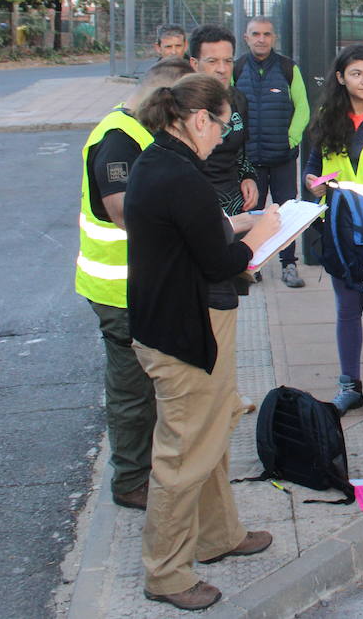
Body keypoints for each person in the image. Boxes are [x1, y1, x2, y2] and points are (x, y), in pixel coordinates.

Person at [124, 73, 283, 611]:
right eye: (222, 123)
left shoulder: (163, 162)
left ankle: (218, 535)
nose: (224, 134)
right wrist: (260, 237)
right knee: (184, 453)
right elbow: (218, 261)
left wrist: (240, 223)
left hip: (180, 321)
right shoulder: (179, 174)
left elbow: (194, 232)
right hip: (184, 330)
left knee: (213, 432)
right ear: (199, 120)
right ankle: (166, 574)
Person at [75, 58, 194, 513]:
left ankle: (146, 470)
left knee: (149, 387)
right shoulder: (118, 140)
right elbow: (124, 210)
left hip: (144, 283)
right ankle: (130, 481)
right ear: (162, 97)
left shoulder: (137, 130)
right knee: (132, 392)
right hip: (119, 289)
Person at [304, 45, 363, 424]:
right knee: (347, 310)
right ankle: (350, 386)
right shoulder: (328, 117)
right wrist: (311, 182)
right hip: (341, 232)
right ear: (341, 77)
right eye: (357, 73)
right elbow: (314, 166)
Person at [236, 16, 309, 287]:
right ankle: (252, 264)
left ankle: (289, 264)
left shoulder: (289, 68)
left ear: (274, 38)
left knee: (286, 213)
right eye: (255, 34)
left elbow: (302, 108)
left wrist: (290, 139)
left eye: (267, 34)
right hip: (250, 161)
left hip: (282, 159)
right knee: (252, 213)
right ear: (246, 38)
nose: (261, 39)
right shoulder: (238, 68)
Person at [189, 25, 258, 216]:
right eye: (212, 61)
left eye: (228, 61)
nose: (222, 69)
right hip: (195, 204)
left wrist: (248, 177)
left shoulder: (239, 99)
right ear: (195, 64)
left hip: (235, 202)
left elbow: (242, 152)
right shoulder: (178, 107)